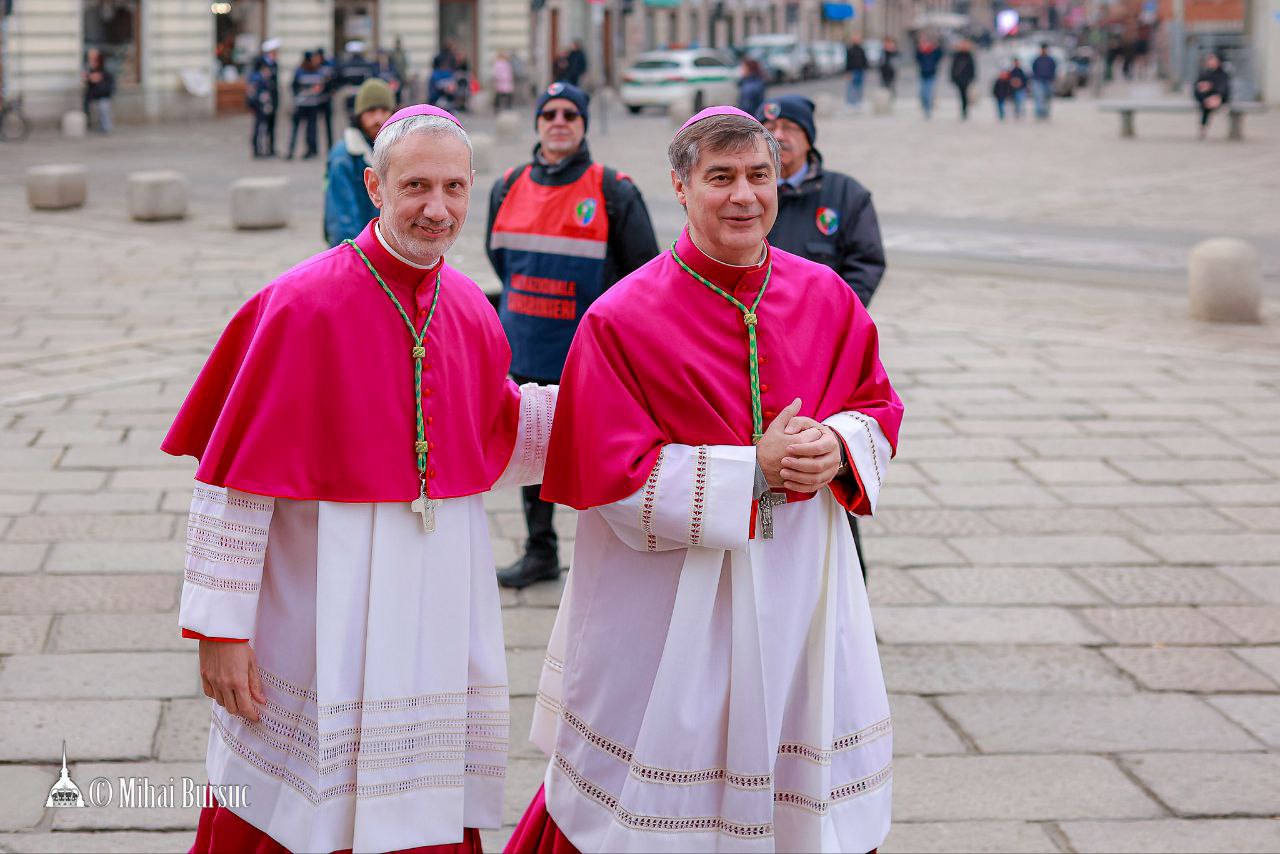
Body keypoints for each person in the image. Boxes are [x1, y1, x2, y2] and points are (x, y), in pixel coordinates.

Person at [505, 106, 902, 854]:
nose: (744, 196)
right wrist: (754, 468)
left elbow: (876, 405)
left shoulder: (827, 296)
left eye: (759, 176)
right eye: (720, 178)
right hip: (669, 603)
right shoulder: (620, 318)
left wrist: (838, 444)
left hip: (803, 584)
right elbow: (609, 476)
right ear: (681, 188)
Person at [166, 103, 560, 854]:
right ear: (375, 187)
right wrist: (219, 627)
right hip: (317, 602)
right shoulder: (299, 303)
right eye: (415, 186)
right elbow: (235, 481)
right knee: (298, 803)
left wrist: (634, 421)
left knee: (421, 801)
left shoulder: (474, 306)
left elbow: (496, 436)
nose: (436, 208)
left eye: (453, 187)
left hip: (436, 602)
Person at [485, 81, 660, 589]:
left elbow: (642, 275)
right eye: (548, 114)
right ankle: (540, 551)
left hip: (591, 357)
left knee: (604, 458)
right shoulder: (508, 186)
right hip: (525, 345)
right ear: (538, 123)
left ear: (583, 124)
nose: (558, 121)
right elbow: (503, 259)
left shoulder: (613, 190)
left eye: (570, 113)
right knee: (528, 452)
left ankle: (615, 556)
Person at [757, 94, 886, 571]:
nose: (779, 133)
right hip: (755, 361)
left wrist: (828, 320)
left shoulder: (843, 195)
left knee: (828, 469)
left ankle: (850, 607)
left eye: (790, 124)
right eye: (769, 123)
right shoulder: (752, 197)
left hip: (823, 362)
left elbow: (866, 262)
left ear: (809, 136)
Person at [324, 78, 395, 246]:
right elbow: (342, 219)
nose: (378, 118)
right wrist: (352, 255)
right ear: (359, 115)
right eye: (371, 111)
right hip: (360, 253)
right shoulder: (344, 156)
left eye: (384, 110)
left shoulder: (396, 151)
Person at [285, 51, 326, 160]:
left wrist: (319, 89)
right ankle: (290, 150)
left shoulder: (318, 70)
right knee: (295, 128)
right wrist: (299, 95)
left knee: (311, 129)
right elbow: (293, 86)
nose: (315, 60)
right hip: (300, 105)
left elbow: (321, 85)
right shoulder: (299, 71)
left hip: (312, 105)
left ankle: (310, 150)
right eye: (313, 58)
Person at [1194, 51, 1231, 139]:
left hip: (1218, 98)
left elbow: (1223, 88)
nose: (1210, 62)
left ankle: (1203, 127)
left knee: (1209, 101)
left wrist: (1212, 88)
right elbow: (1196, 87)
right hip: (1205, 99)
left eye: (1213, 60)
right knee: (1204, 98)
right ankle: (1203, 126)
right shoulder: (1204, 73)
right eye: (1209, 60)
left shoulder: (1223, 74)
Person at [246, 56, 277, 158]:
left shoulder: (258, 76)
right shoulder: (257, 77)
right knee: (260, 128)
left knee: (260, 128)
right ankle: (257, 149)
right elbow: (254, 92)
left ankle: (259, 149)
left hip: (260, 105)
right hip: (259, 105)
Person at [82, 48, 115, 134]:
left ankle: (107, 128)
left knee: (104, 112)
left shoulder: (103, 68)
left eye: (93, 57)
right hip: (96, 95)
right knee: (99, 113)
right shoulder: (90, 68)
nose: (92, 60)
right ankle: (102, 127)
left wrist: (96, 78)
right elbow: (89, 81)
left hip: (104, 95)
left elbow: (107, 79)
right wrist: (89, 79)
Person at [915, 36, 944, 119]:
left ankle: (928, 109)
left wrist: (938, 46)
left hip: (932, 74)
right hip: (923, 74)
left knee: (928, 92)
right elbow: (917, 58)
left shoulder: (934, 52)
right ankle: (925, 106)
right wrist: (919, 48)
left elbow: (940, 55)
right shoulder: (921, 52)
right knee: (922, 93)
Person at [314, 47, 337, 152]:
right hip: (317, 99)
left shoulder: (328, 66)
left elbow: (333, 79)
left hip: (326, 98)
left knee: (328, 124)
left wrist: (332, 90)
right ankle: (313, 147)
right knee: (314, 124)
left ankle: (330, 146)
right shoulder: (315, 66)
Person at [949, 39, 976, 120]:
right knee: (961, 94)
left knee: (964, 94)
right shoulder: (956, 55)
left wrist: (972, 77)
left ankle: (964, 109)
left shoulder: (969, 55)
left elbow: (972, 68)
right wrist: (953, 77)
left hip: (966, 78)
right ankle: (964, 109)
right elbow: (953, 67)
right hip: (959, 78)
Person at [1031, 42, 1056, 120]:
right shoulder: (1037, 59)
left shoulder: (1050, 60)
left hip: (1048, 81)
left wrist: (1051, 78)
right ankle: (1039, 113)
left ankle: (1046, 113)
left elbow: (1053, 69)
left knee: (1047, 97)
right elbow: (1033, 69)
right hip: (1039, 81)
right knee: (1039, 97)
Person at [845, 35, 869, 108]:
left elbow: (864, 60)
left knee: (859, 87)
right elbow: (848, 62)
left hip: (860, 70)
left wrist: (865, 68)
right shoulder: (850, 50)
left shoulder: (861, 49)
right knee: (851, 87)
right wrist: (847, 71)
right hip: (852, 71)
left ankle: (858, 101)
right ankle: (850, 102)